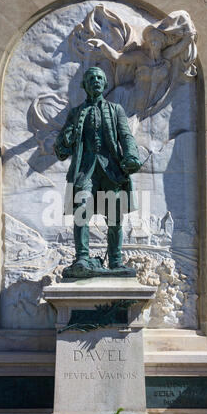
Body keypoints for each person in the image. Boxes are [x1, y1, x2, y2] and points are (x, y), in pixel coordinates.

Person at [54, 67, 141, 278]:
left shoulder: (115, 109)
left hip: (111, 169)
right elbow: (61, 151)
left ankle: (115, 261)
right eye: (91, 78)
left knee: (114, 217)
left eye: (100, 78)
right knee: (81, 210)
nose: (96, 81)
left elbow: (126, 136)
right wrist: (67, 137)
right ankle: (82, 257)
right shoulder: (75, 113)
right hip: (86, 170)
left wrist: (131, 156)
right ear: (84, 85)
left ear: (104, 84)